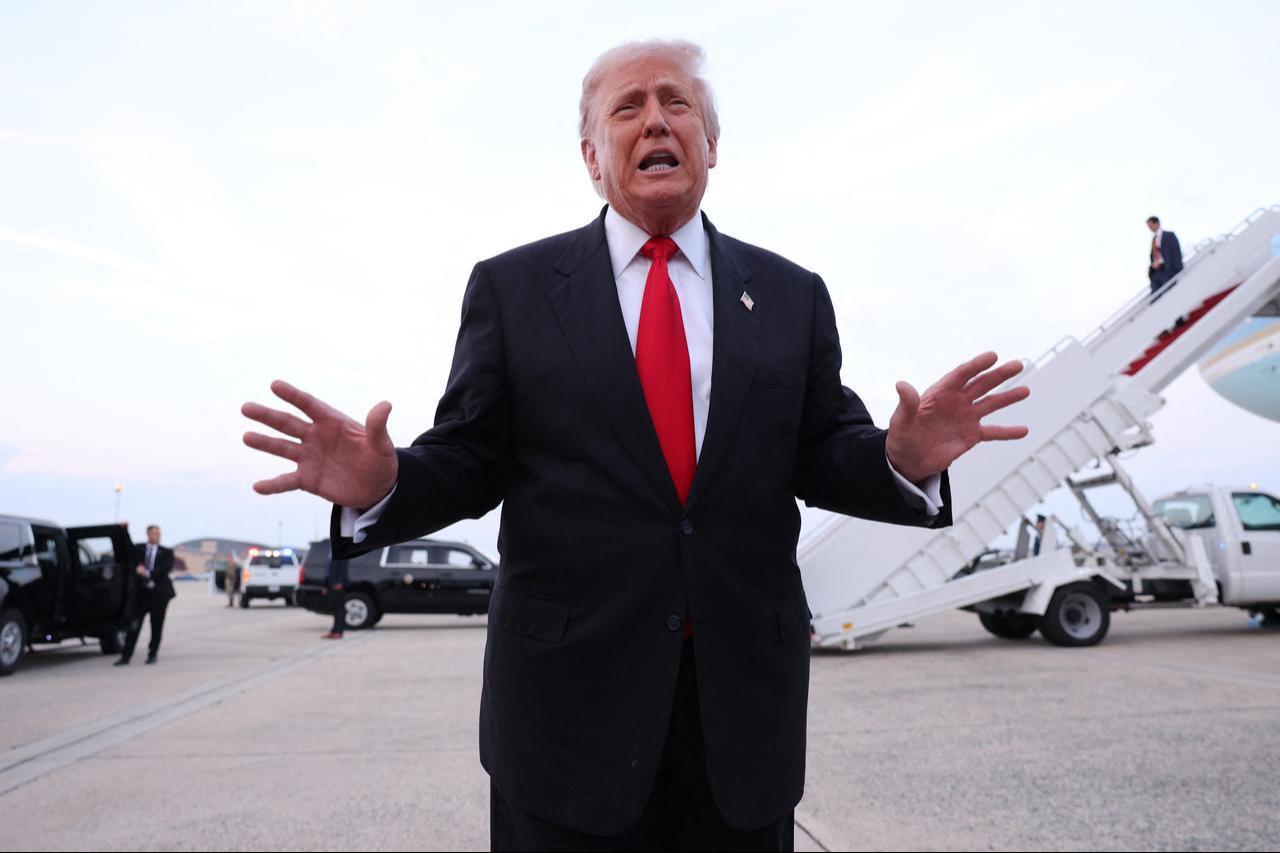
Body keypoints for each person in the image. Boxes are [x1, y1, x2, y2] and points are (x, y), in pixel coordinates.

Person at [242, 39, 1031, 852]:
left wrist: (901, 462)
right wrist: (384, 482)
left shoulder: (791, 295)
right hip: (564, 718)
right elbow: (473, 455)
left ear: (712, 144)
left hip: (740, 718)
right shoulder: (513, 291)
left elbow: (824, 446)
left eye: (677, 102)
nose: (655, 118)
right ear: (592, 154)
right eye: (628, 107)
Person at [117, 524, 176, 666]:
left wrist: (148, 573)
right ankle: (126, 656)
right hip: (141, 595)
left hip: (159, 595)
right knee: (134, 625)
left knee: (156, 625)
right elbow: (126, 550)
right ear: (148, 534)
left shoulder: (166, 552)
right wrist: (123, 530)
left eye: (159, 533)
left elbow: (166, 568)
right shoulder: (138, 549)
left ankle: (152, 653)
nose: (157, 536)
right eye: (154, 533)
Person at [1147, 215, 1183, 294]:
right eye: (1148, 226)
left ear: (1157, 223)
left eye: (1151, 225)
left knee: (1169, 292)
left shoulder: (1169, 235)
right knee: (1155, 293)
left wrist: (1177, 269)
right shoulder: (1154, 240)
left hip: (1168, 269)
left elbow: (1176, 253)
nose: (1150, 228)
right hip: (1157, 272)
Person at [321, 557, 348, 639]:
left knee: (340, 609)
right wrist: (325, 585)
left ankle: (339, 631)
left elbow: (343, 568)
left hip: (338, 585)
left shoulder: (342, 552)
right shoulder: (331, 553)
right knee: (335, 609)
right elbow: (328, 571)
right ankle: (334, 630)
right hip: (331, 584)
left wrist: (340, 582)